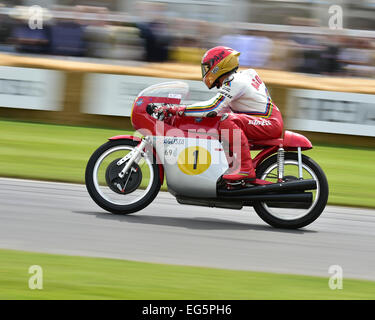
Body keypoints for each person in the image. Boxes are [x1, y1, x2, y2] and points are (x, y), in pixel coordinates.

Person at [158, 46, 284, 181]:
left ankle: (245, 169)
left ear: (219, 65)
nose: (206, 71)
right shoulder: (244, 75)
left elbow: (211, 107)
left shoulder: (235, 81)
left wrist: (177, 110)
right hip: (266, 120)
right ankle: (231, 167)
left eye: (208, 67)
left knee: (228, 120)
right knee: (221, 121)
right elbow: (215, 109)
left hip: (269, 123)